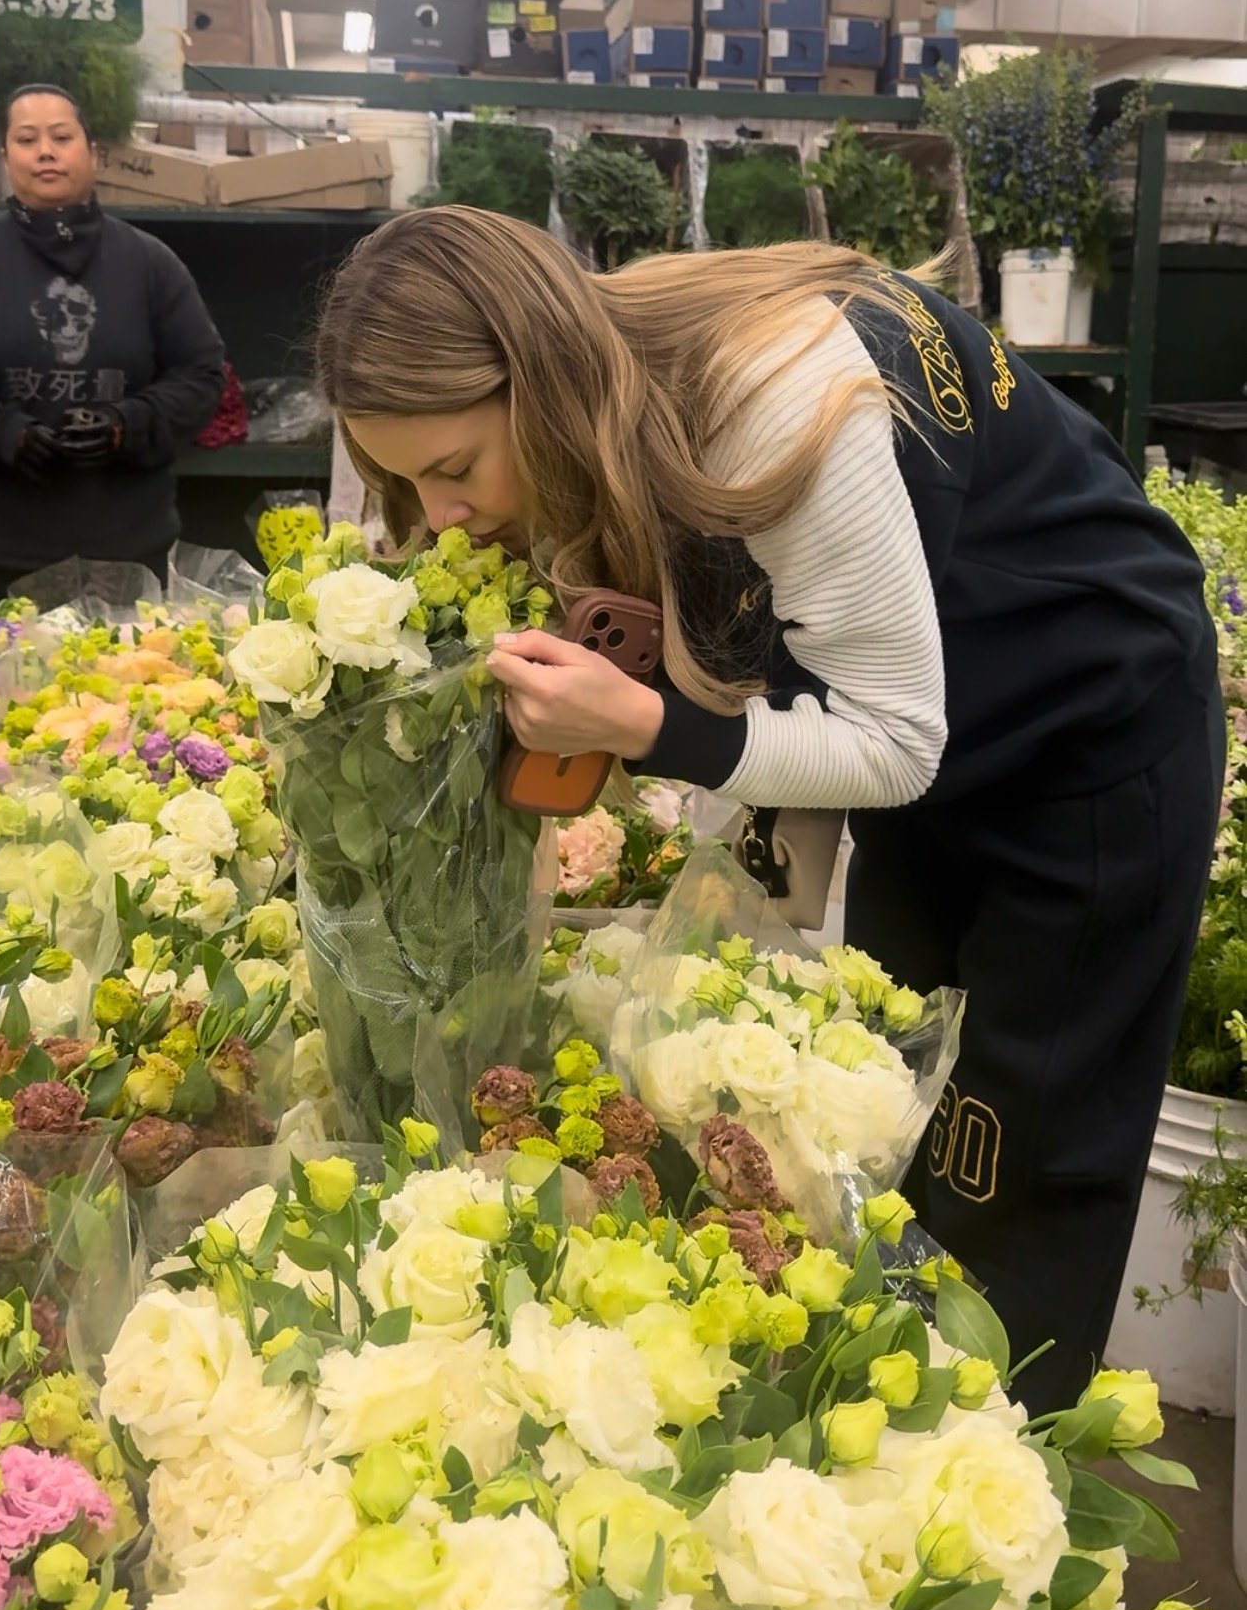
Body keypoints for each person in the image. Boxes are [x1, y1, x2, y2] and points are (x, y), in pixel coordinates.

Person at [315, 204, 1222, 1411]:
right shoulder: (630, 371)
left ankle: (1006, 1490)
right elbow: (808, 686)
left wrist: (647, 729)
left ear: (536, 380)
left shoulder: (770, 391)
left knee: (1020, 1157)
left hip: (1091, 740)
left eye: (451, 469)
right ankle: (882, 1445)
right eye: (402, 482)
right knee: (882, 1104)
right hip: (951, 732)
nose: (441, 516)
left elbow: (893, 746)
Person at [0, 84, 225, 605]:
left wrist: (128, 423)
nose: (46, 151)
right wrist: (3, 433)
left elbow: (202, 375)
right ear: (5, 156)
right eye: (27, 138)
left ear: (93, 152)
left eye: (62, 136)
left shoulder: (150, 263)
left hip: (125, 555)